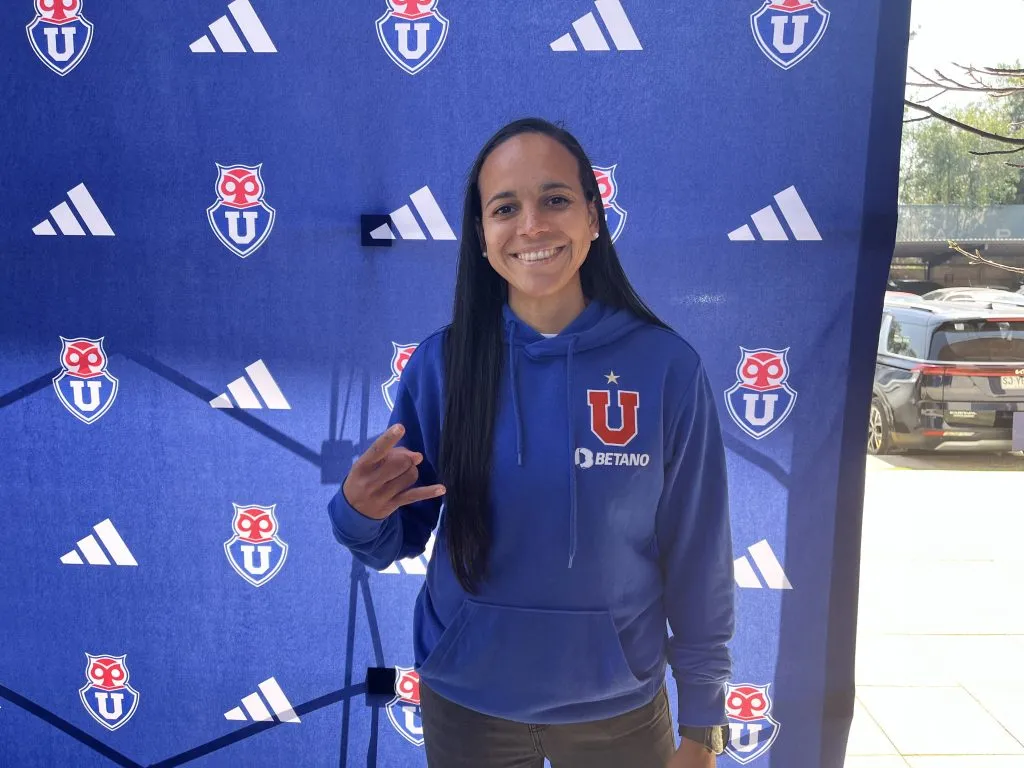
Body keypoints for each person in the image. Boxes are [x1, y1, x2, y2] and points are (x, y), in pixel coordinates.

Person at [329, 118, 734, 768]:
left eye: (555, 199)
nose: (533, 225)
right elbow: (392, 539)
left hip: (620, 712)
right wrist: (358, 510)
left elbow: (700, 558)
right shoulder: (442, 367)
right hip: (468, 706)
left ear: (594, 218)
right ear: (483, 239)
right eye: (505, 208)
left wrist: (704, 722)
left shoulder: (667, 369)